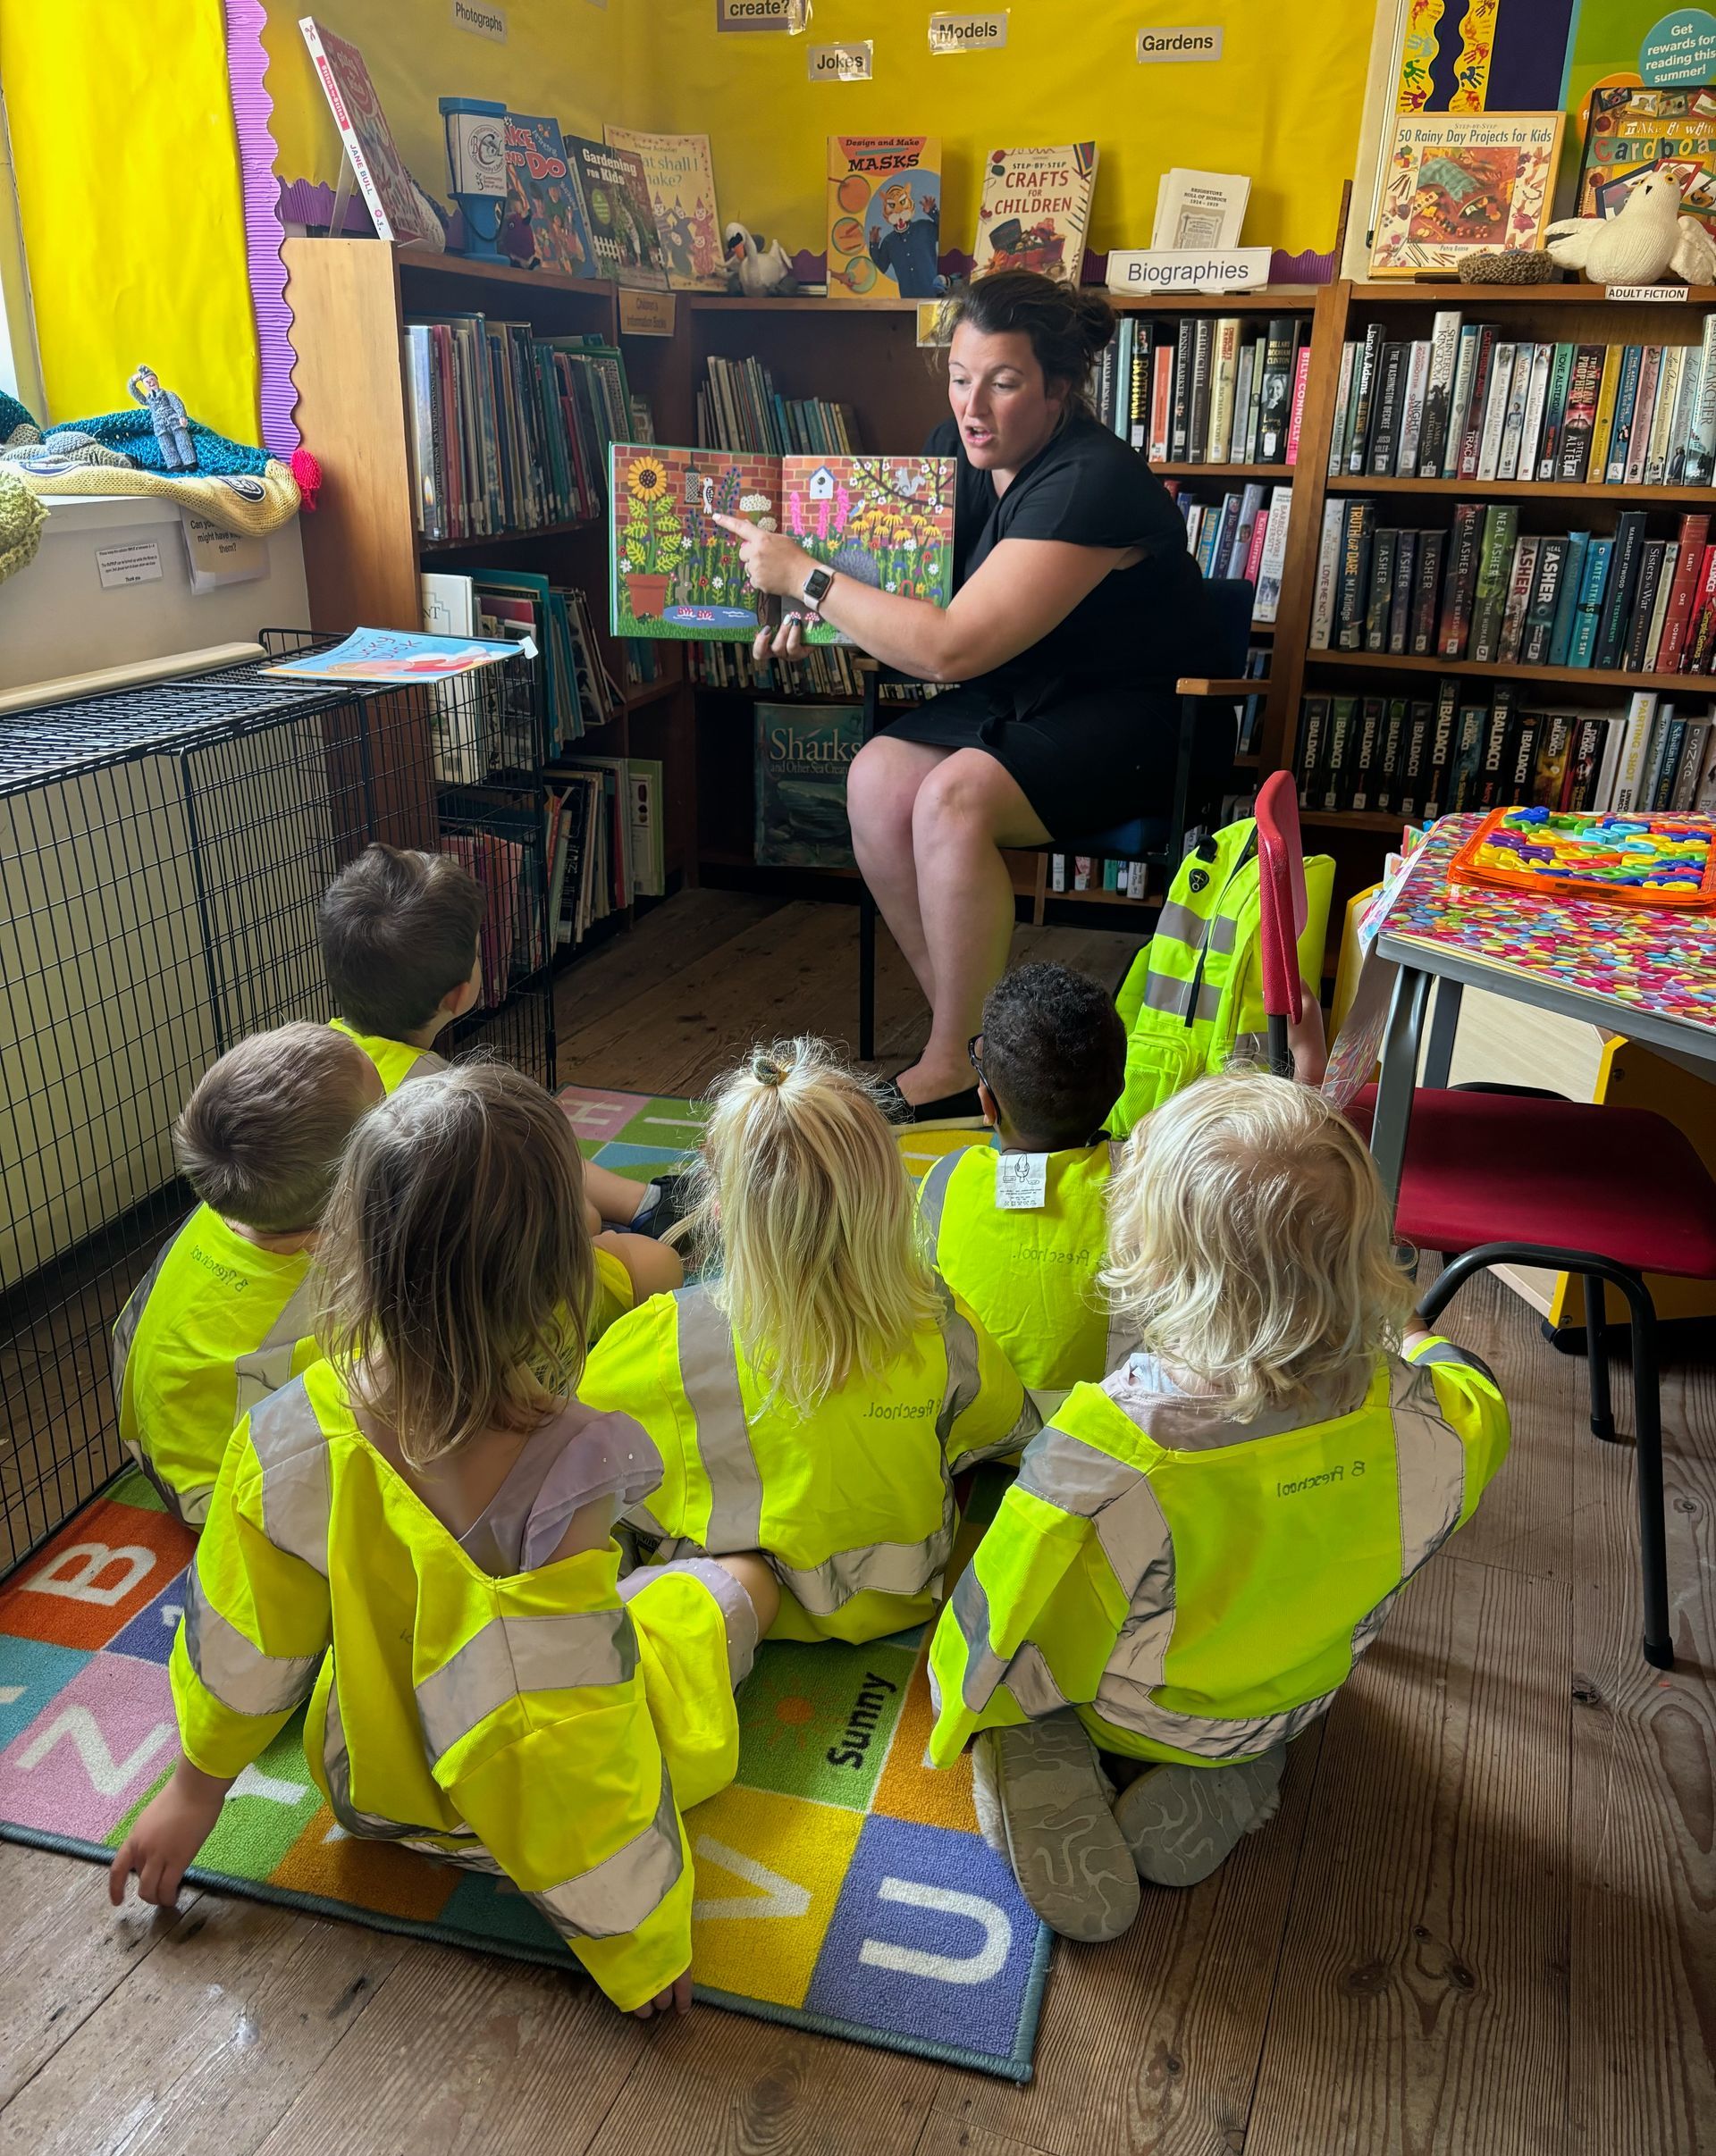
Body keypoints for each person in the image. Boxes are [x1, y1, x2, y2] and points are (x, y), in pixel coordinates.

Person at [108, 1062, 779, 2022]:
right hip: (504, 1818)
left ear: (355, 1248)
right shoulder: (576, 1458)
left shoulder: (293, 1429)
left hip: (371, 1788)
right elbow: (573, 1734)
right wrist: (639, 1932)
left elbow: (247, 1636)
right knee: (736, 1584)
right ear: (558, 1264)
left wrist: (192, 1790)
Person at [925, 1072, 1510, 1941]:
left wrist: (965, 1706)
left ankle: (1033, 1752)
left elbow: (1004, 1604)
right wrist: (1419, 1343)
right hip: (1287, 1692)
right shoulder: (1435, 1425)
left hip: (1125, 1701)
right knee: (1259, 1690)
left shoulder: (1113, 1446)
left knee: (1029, 1666)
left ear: (1159, 1266)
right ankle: (1237, 1769)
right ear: (1362, 1258)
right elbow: (1481, 1396)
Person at [714, 271, 1206, 1120]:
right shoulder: (960, 450)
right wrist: (808, 612)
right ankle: (995, 1052)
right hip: (1015, 700)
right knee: (873, 776)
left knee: (950, 799)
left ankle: (952, 1065)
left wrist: (809, 576)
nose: (974, 405)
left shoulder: (1093, 477)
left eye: (1004, 381)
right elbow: (898, 591)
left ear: (1059, 388)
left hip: (1129, 716)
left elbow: (948, 647)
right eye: (959, 376)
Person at [579, 1039, 1039, 1644]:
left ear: (723, 1205)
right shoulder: (935, 1315)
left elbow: (580, 1456)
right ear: (886, 1196)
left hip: (727, 1585)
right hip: (897, 1597)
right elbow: (1002, 1426)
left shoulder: (663, 1336)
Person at [317, 843, 682, 1312]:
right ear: (460, 994)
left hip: (380, 1264)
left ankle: (644, 1202)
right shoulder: (446, 1100)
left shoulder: (321, 1057)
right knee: (622, 1241)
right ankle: (651, 1209)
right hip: (465, 1290)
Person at [113, 1024, 382, 1528]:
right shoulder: (341, 1285)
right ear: (353, 1183)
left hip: (154, 1452)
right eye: (384, 1105)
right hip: (230, 1508)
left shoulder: (220, 1214)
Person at [918, 962, 1131, 1412]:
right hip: (1099, 1432)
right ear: (1118, 1090)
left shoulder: (945, 1180)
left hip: (971, 1424)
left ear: (986, 1102)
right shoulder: (1148, 1189)